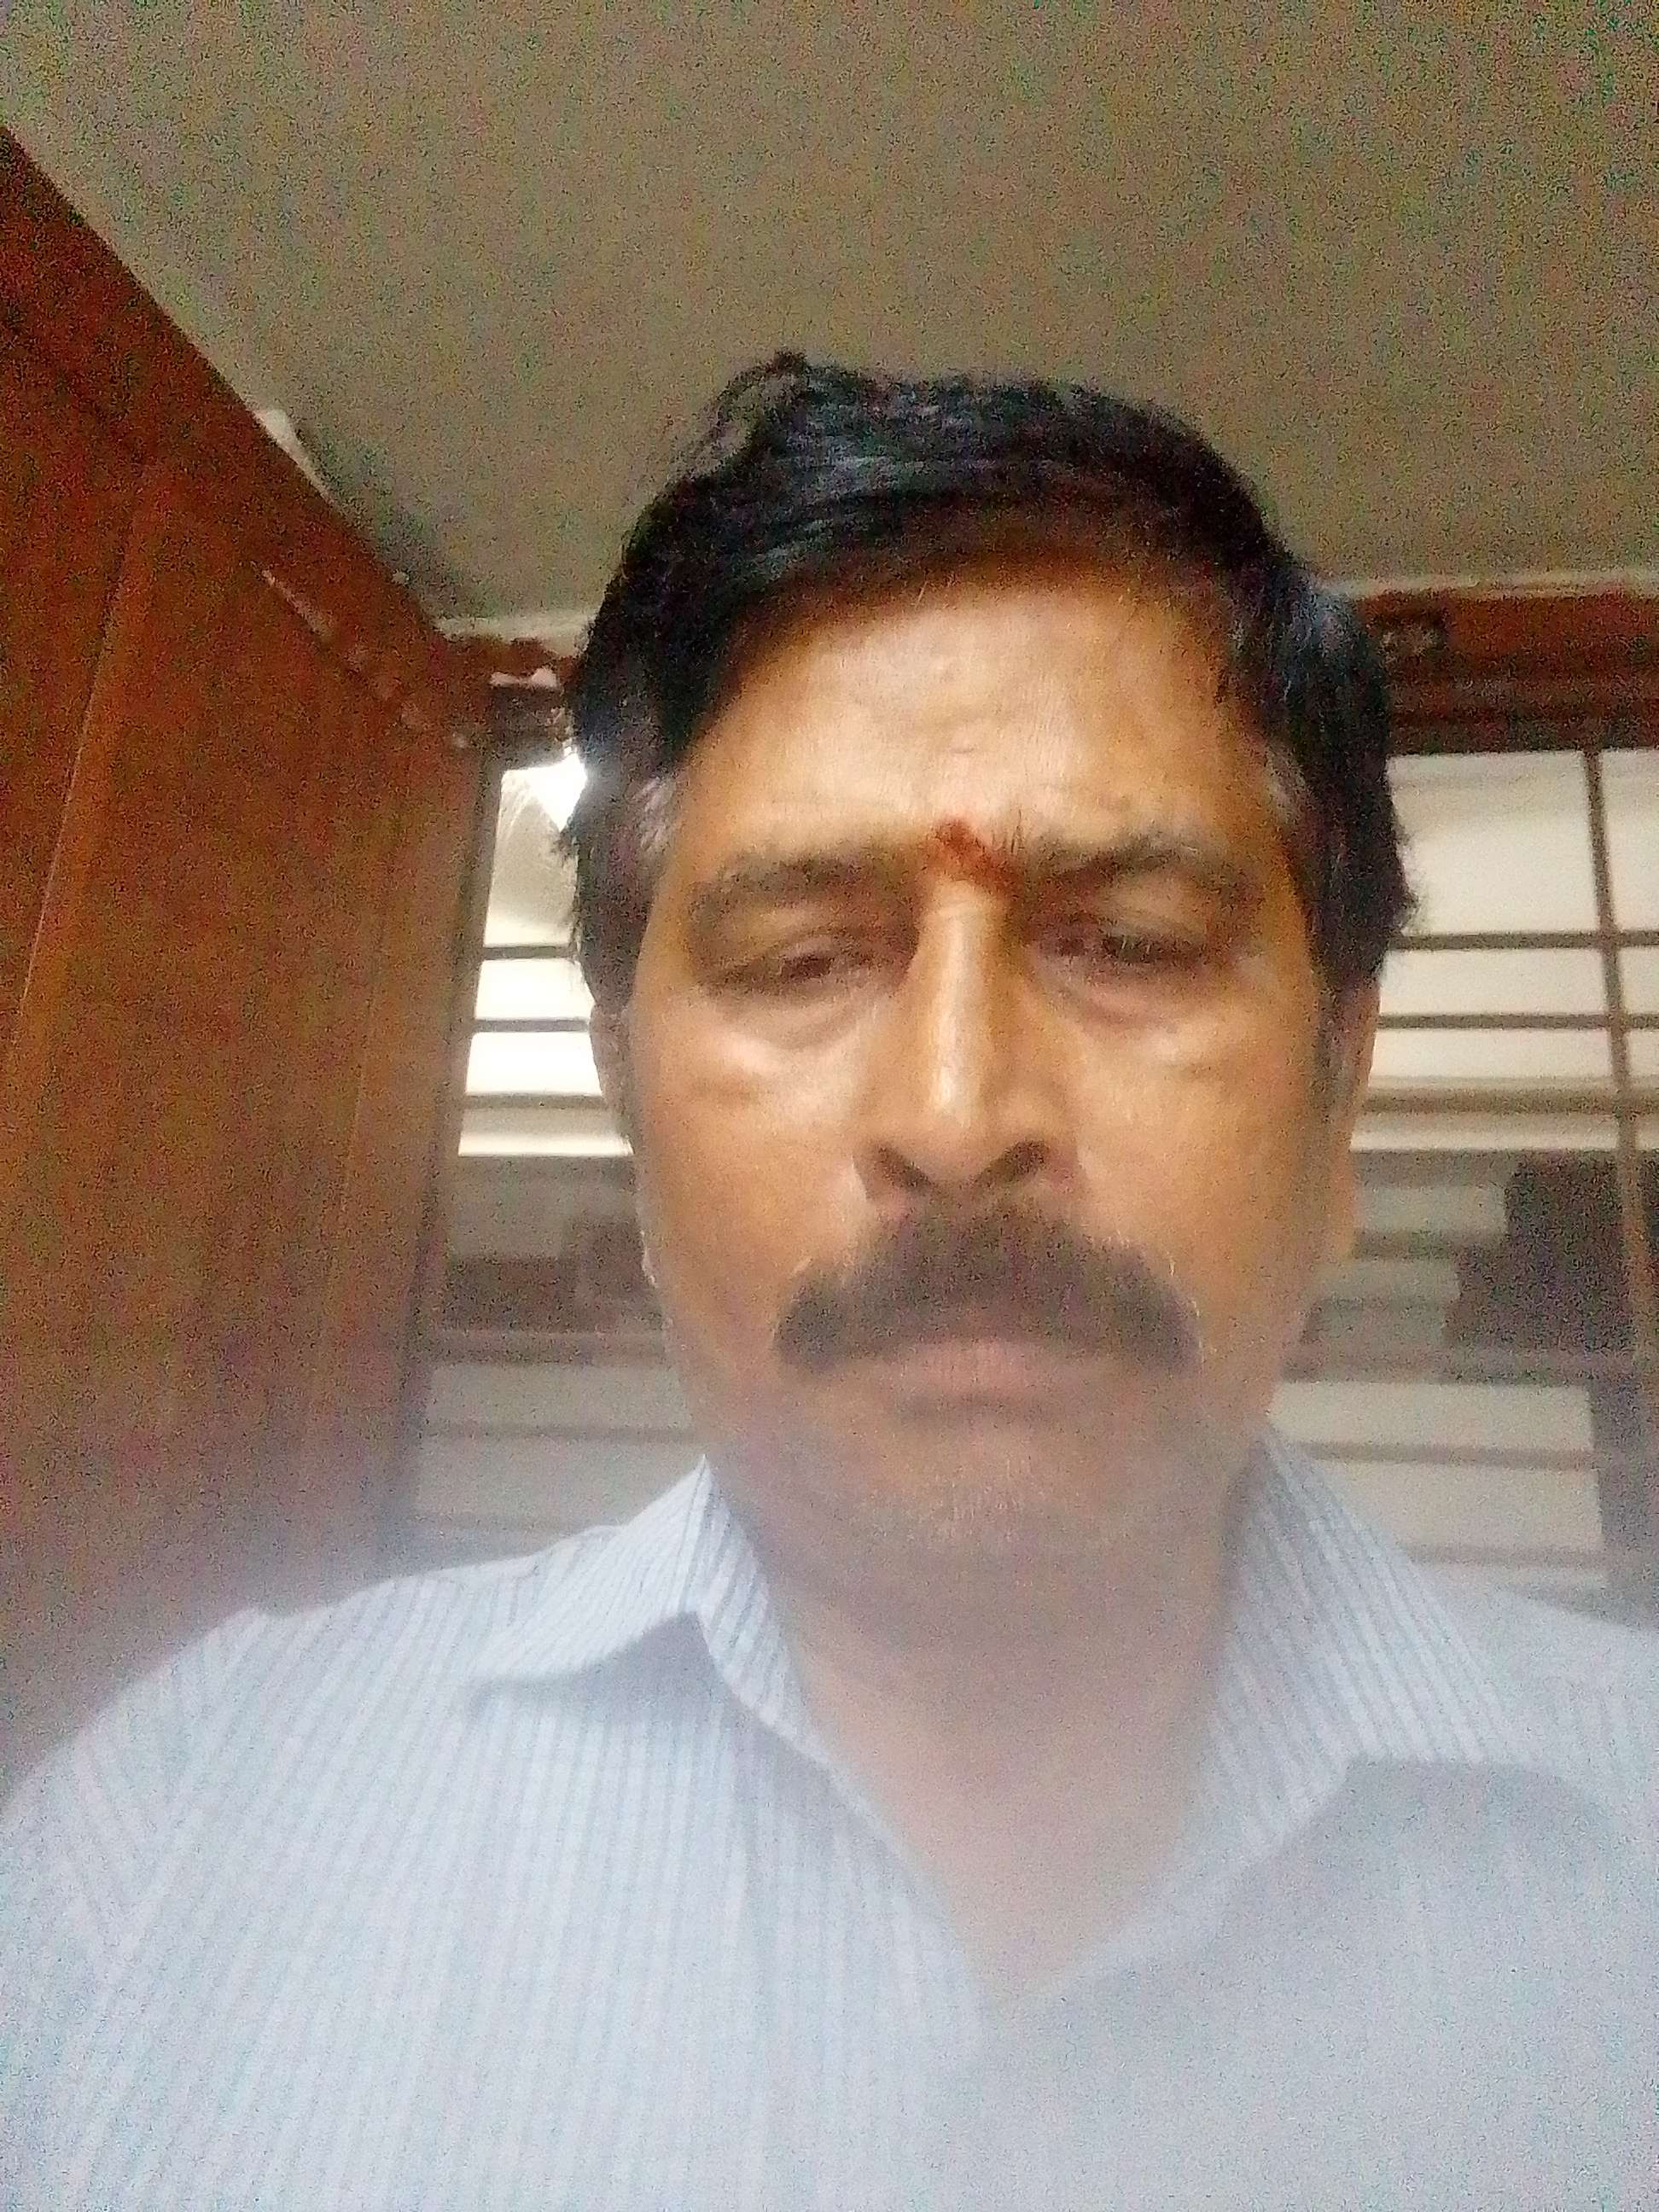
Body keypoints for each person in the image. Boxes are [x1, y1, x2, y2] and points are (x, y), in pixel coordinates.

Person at [3, 358, 1654, 2209]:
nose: (955, 1118)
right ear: (629, 1109)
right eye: (803, 960)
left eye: (1125, 943)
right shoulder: (167, 1854)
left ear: (1340, 1094)